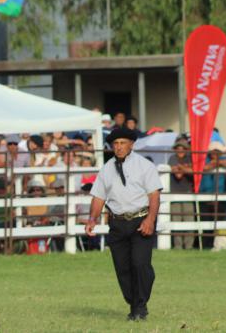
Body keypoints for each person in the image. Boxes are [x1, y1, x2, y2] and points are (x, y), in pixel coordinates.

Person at [86, 128, 162, 321]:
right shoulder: (106, 169)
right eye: (116, 144)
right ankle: (134, 303)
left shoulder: (145, 166)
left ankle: (140, 307)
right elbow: (98, 197)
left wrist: (150, 220)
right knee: (122, 268)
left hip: (140, 220)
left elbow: (154, 195)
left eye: (122, 143)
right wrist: (92, 219)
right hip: (118, 223)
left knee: (140, 264)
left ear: (131, 144)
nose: (119, 147)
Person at [168, 138, 194, 249]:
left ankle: (189, 246)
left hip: (188, 193)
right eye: (178, 148)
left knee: (189, 221)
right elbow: (178, 174)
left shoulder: (190, 158)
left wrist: (181, 168)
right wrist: (186, 168)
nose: (180, 150)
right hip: (175, 193)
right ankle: (178, 246)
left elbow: (193, 172)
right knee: (176, 220)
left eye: (183, 148)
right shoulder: (172, 158)